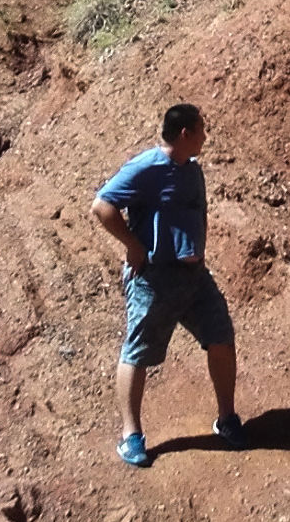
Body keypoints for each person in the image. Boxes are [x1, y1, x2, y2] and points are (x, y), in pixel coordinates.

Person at [91, 102, 242, 468]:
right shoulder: (146, 167)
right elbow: (102, 206)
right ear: (185, 133)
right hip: (154, 279)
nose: (206, 136)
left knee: (220, 336)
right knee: (138, 350)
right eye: (201, 130)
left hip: (194, 277)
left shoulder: (192, 171)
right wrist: (134, 246)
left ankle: (227, 419)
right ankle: (132, 437)